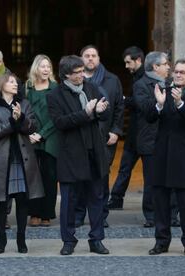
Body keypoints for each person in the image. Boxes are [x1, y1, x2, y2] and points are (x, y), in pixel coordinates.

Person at [142, 58, 185, 256]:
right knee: (160, 200)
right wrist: (159, 105)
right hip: (163, 153)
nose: (177, 75)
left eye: (182, 72)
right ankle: (161, 241)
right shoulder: (165, 92)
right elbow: (149, 117)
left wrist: (180, 104)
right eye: (176, 72)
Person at [47, 55, 110, 256]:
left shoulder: (90, 87)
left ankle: (97, 239)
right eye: (77, 72)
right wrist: (86, 113)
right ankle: (68, 240)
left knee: (97, 198)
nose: (82, 75)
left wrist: (100, 110)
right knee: (69, 201)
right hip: (71, 156)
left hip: (94, 152)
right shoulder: (55, 95)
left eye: (83, 71)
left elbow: (104, 112)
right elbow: (60, 123)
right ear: (66, 74)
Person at [0, 73, 44, 254]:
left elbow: (33, 126)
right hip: (2, 160)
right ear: (1, 85)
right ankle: (1, 239)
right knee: (2, 202)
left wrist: (22, 118)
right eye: (11, 82)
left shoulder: (24, 103)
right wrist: (13, 120)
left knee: (22, 200)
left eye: (16, 82)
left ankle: (21, 239)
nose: (15, 84)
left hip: (23, 159)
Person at [75, 45, 124, 228]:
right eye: (86, 56)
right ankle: (79, 215)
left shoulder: (112, 79)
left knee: (101, 177)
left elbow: (119, 107)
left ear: (99, 58)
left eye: (93, 55)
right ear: (81, 59)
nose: (90, 59)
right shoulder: (75, 80)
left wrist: (116, 131)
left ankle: (100, 216)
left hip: (104, 136)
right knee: (81, 177)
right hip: (80, 136)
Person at [133, 51, 174, 228]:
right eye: (165, 64)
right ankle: (151, 214)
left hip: (171, 140)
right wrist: (160, 103)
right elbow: (145, 108)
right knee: (152, 180)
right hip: (150, 140)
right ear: (155, 67)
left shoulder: (172, 84)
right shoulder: (141, 85)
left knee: (171, 179)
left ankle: (172, 214)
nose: (169, 67)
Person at [107, 46, 145, 210]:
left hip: (144, 132)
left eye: (128, 62)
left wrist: (124, 100)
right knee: (125, 167)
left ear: (138, 60)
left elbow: (140, 103)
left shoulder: (145, 78)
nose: (126, 66)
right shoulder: (136, 76)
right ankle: (116, 198)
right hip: (134, 132)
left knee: (129, 168)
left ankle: (117, 198)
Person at [24, 54, 58, 227]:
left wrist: (42, 134)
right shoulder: (27, 88)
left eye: (48, 67)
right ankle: (34, 212)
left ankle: (47, 213)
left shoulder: (55, 88)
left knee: (50, 176)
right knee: (32, 177)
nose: (46, 69)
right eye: (43, 66)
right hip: (31, 138)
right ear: (36, 68)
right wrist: (30, 132)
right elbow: (24, 112)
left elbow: (57, 117)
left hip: (50, 137)